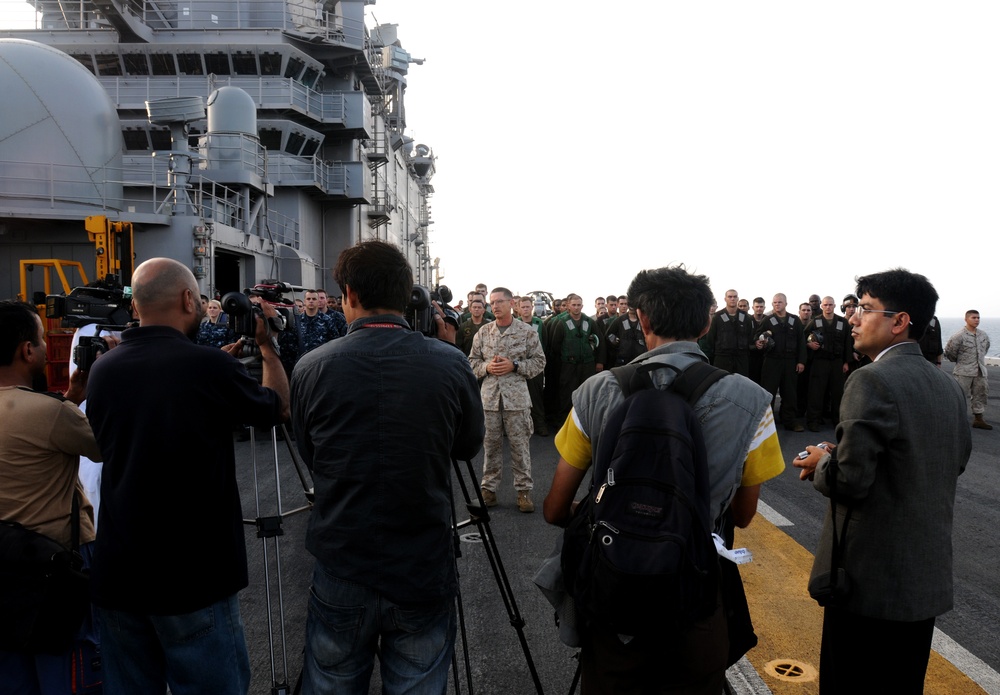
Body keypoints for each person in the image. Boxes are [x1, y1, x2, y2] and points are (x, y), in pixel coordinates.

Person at [543, 265, 784, 694]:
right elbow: (744, 515)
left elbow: (556, 508)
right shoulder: (752, 400)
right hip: (695, 597)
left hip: (614, 600)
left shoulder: (595, 391)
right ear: (708, 322)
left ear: (642, 319)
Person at [86, 258, 289, 695]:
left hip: (120, 572)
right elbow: (276, 408)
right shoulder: (208, 369)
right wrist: (267, 347)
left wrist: (213, 367)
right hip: (193, 574)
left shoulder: (104, 370)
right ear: (186, 299)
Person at [291, 241, 484, 694]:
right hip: (422, 562)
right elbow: (467, 447)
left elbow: (311, 454)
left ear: (350, 295)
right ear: (407, 296)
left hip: (343, 559)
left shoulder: (311, 367)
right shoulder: (450, 363)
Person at [794, 269, 971, 695]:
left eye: (865, 309)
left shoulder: (871, 379)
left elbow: (851, 481)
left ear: (899, 321)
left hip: (867, 584)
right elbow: (950, 460)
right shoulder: (948, 386)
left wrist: (822, 461)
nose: (853, 318)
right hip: (921, 582)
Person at [0, 301, 104, 695]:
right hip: (54, 571)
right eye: (43, 340)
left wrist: (71, 397)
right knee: (69, 670)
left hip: (4, 570)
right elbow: (104, 446)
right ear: (27, 350)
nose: (46, 349)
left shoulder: (50, 410)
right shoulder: (52, 414)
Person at [469, 287, 546, 512]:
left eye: (499, 302)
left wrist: (516, 366)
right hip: (490, 400)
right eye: (492, 303)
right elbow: (471, 362)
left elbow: (540, 361)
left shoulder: (527, 332)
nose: (495, 306)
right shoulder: (483, 333)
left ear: (511, 303)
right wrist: (486, 367)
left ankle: (523, 492)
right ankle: (489, 491)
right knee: (491, 446)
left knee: (519, 446)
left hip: (517, 400)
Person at [758, 293, 806, 431]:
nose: (777, 304)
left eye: (779, 302)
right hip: (772, 361)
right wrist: (760, 341)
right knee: (768, 392)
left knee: (790, 393)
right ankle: (767, 423)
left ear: (786, 303)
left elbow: (801, 342)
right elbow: (757, 336)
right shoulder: (768, 320)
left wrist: (801, 361)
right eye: (774, 303)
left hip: (790, 362)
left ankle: (790, 421)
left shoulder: (794, 320)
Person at [803, 296, 851, 431]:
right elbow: (803, 337)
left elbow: (848, 343)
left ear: (834, 306)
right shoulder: (815, 321)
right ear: (822, 306)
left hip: (837, 362)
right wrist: (809, 344)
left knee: (838, 393)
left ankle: (838, 420)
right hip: (820, 361)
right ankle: (813, 421)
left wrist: (846, 362)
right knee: (816, 393)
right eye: (825, 305)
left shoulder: (842, 322)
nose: (828, 307)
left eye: (830, 305)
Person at [945, 309, 992, 429]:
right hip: (963, 371)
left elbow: (985, 349)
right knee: (959, 395)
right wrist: (962, 362)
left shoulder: (983, 335)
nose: (977, 320)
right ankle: (956, 419)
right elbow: (950, 352)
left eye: (978, 318)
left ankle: (978, 418)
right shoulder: (959, 336)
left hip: (980, 370)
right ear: (966, 319)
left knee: (981, 394)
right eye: (974, 318)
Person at [702, 288, 752, 376]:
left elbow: (750, 336)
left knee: (742, 384)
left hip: (741, 358)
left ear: (737, 299)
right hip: (722, 358)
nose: (732, 299)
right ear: (725, 299)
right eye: (730, 297)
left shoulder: (746, 317)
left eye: (735, 297)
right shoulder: (717, 317)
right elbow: (710, 338)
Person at [517, 296, 548, 435]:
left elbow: (545, 342)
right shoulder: (515, 323)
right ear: (518, 308)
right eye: (523, 307)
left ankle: (539, 424)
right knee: (518, 397)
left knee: (536, 395)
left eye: (528, 306)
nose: (525, 309)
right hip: (519, 365)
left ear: (532, 307)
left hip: (535, 365)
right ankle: (520, 426)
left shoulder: (538, 323)